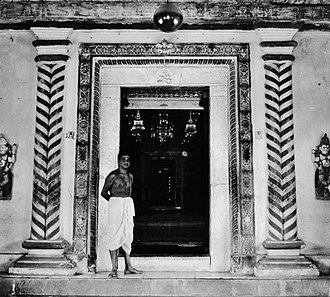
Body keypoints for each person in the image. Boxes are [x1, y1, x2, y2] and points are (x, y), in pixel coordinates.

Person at [101, 151, 142, 278]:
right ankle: (113, 268)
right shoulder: (113, 176)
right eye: (123, 159)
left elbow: (129, 192)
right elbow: (104, 193)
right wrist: (115, 203)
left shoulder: (130, 176)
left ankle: (128, 266)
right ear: (119, 161)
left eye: (128, 160)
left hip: (127, 205)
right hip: (116, 204)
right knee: (114, 234)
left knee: (128, 234)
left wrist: (124, 203)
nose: (126, 162)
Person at [312, 133, 330, 199]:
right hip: (321, 170)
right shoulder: (319, 155)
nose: (326, 149)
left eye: (327, 147)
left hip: (328, 170)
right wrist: (319, 167)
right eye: (324, 147)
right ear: (320, 148)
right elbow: (315, 161)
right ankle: (321, 193)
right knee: (321, 181)